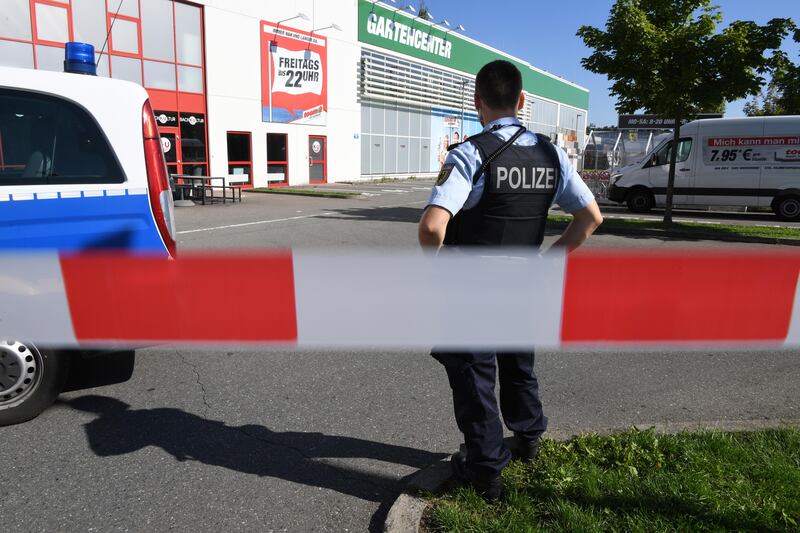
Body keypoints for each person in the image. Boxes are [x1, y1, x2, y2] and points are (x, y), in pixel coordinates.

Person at [417, 60, 603, 501]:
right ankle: (530, 437)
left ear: (477, 101)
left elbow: (430, 227)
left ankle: (485, 472)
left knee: (475, 376)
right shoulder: (551, 154)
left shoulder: (470, 154)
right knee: (519, 364)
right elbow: (591, 217)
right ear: (522, 102)